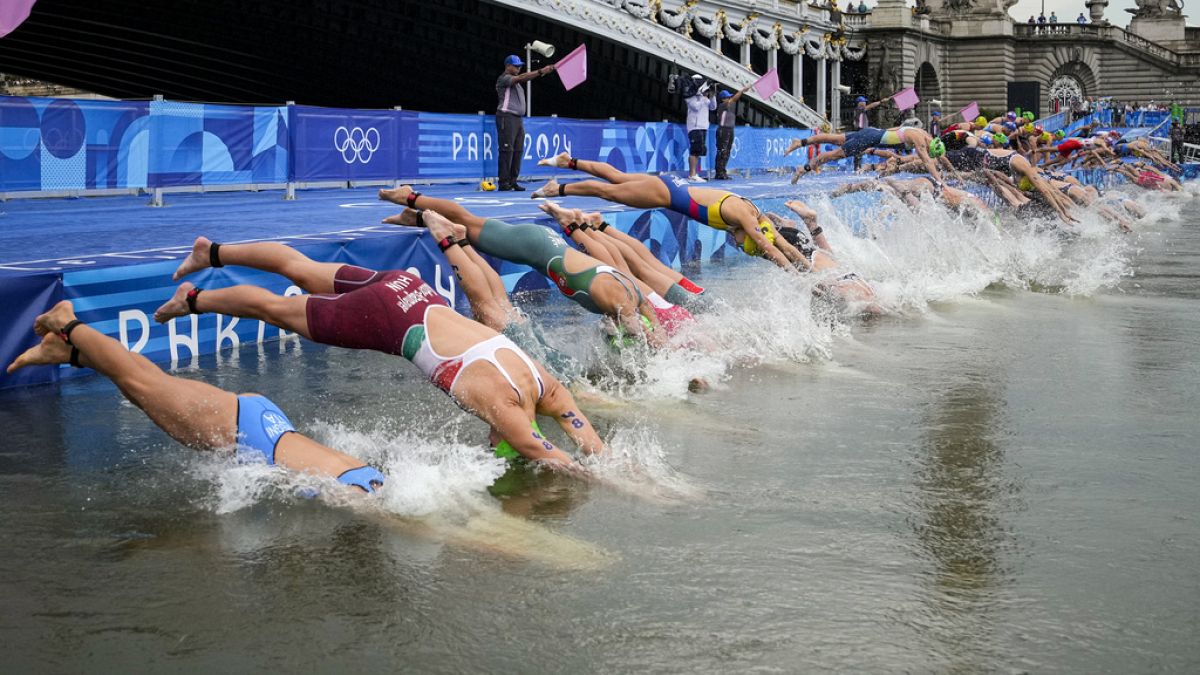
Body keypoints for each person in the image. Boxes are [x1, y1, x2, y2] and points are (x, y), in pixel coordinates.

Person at [158, 237, 606, 471]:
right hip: (390, 318)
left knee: (304, 270)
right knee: (276, 311)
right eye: (499, 447)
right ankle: (193, 299)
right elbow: (545, 452)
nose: (494, 446)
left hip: (411, 290)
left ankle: (212, 251)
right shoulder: (506, 412)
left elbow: (582, 435)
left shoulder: (548, 387)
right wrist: (612, 485)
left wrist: (607, 463)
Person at [8, 301, 386, 494]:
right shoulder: (363, 495)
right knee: (144, 384)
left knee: (148, 385)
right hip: (248, 435)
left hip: (264, 423)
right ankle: (68, 323)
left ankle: (68, 353)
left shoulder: (372, 481)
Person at [379, 186, 668, 346]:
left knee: (472, 245)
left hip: (546, 247)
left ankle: (415, 218)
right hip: (536, 246)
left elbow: (649, 319)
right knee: (470, 222)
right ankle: (411, 197)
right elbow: (640, 335)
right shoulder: (620, 301)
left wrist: (659, 338)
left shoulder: (633, 295)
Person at [530, 153, 812, 271]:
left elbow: (782, 244)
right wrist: (794, 278)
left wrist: (806, 270)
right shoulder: (744, 219)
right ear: (744, 233)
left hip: (673, 184)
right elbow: (769, 249)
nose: (737, 244)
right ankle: (559, 189)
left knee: (617, 177)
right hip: (666, 194)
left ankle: (570, 161)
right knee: (608, 191)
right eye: (742, 245)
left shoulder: (759, 217)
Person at [786, 125, 946, 182]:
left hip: (872, 132)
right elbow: (927, 161)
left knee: (834, 138)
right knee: (834, 155)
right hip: (869, 139)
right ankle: (803, 169)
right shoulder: (919, 139)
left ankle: (800, 142)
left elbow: (936, 156)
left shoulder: (923, 133)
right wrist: (940, 181)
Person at [495, 54, 555, 192]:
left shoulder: (515, 83)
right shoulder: (504, 79)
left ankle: (513, 181)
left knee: (518, 150)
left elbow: (521, 78)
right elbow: (521, 78)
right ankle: (504, 182)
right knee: (506, 150)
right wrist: (540, 71)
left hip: (517, 119)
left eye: (520, 65)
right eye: (516, 66)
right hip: (506, 116)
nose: (519, 68)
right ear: (508, 66)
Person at [714, 84, 752, 180]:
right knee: (722, 151)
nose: (730, 98)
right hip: (723, 130)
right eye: (728, 97)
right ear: (723, 99)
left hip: (729, 129)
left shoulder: (727, 106)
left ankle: (723, 171)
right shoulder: (723, 105)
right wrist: (742, 90)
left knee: (727, 151)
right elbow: (734, 99)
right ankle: (719, 172)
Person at [685, 76, 717, 182]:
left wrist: (712, 95)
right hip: (694, 126)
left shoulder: (705, 98)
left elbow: (713, 107)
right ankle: (692, 174)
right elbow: (696, 107)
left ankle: (694, 174)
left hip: (703, 126)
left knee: (698, 151)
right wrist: (701, 95)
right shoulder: (689, 97)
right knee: (694, 150)